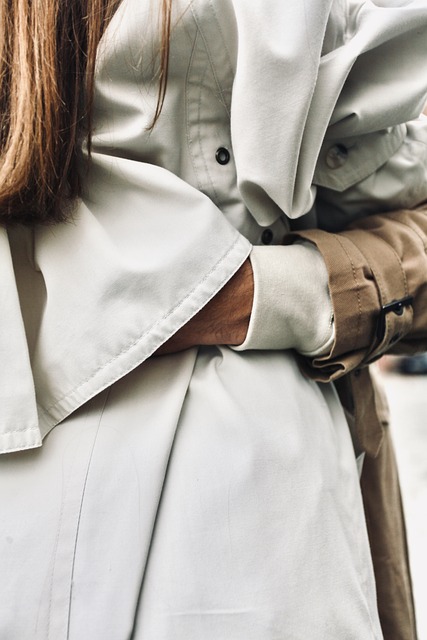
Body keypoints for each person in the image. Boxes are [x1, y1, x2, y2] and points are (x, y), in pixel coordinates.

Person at [1, 0, 427, 638]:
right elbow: (383, 164)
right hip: (246, 451)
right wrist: (292, 291)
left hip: (49, 440)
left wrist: (277, 292)